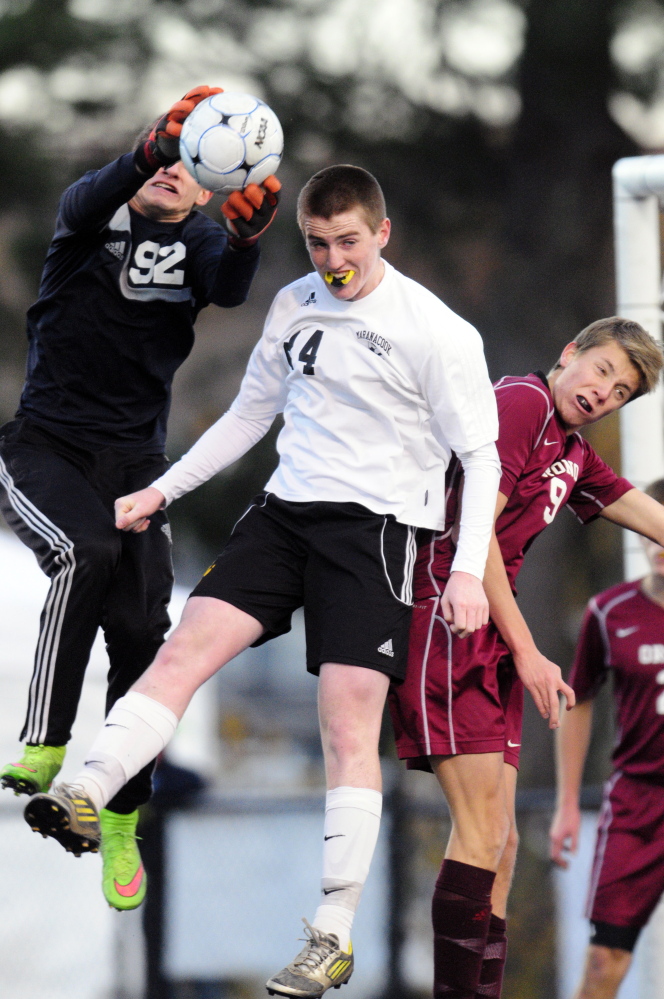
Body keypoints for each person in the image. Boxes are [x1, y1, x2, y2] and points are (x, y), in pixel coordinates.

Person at [24, 164, 501, 998]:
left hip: (377, 530)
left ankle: (333, 931)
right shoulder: (295, 303)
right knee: (182, 650)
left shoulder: (437, 331)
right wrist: (161, 489)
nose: (333, 259)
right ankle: (90, 790)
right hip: (285, 515)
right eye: (317, 243)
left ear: (382, 233)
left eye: (348, 241)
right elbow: (251, 414)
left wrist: (465, 572)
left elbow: (480, 455)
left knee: (346, 722)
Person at [0, 84, 280, 911]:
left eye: (191, 168)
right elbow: (90, 192)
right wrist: (152, 151)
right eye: (164, 157)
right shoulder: (91, 217)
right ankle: (45, 743)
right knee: (82, 555)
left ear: (207, 183)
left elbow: (228, 288)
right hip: (44, 448)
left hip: (137, 465)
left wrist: (248, 238)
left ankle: (119, 817)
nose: (170, 176)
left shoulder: (198, 240)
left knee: (141, 629)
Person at [388, 318, 664, 999]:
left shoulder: (569, 446)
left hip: (489, 632)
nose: (605, 392)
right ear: (569, 352)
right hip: (449, 613)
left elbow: (649, 514)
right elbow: (473, 538)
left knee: (502, 842)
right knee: (481, 833)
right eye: (602, 370)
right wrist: (531, 652)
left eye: (622, 390)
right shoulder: (521, 402)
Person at [549, 476, 664, 999]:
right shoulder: (609, 612)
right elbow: (580, 699)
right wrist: (568, 802)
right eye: (650, 529)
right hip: (638, 803)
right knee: (603, 963)